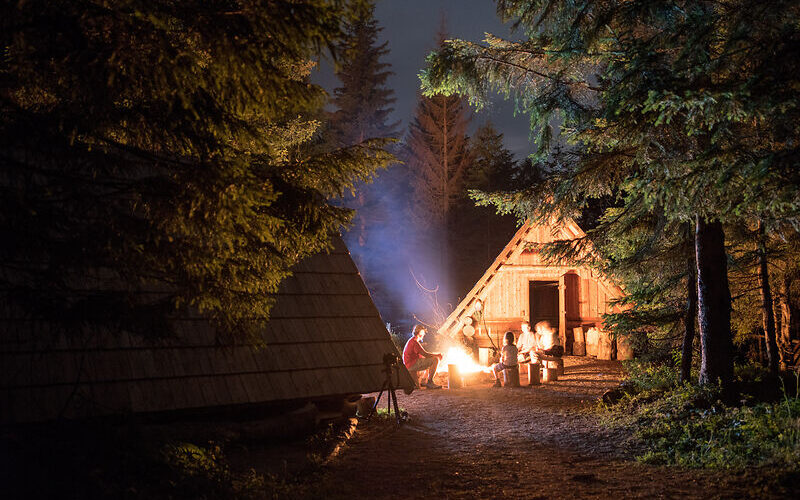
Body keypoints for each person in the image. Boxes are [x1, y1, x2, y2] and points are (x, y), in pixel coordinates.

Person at [403, 324, 443, 389]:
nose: (424, 335)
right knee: (435, 360)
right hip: (411, 365)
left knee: (428, 361)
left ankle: (423, 382)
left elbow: (423, 355)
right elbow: (426, 354)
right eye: (423, 333)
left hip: (409, 364)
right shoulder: (415, 342)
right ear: (420, 333)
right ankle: (430, 382)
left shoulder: (412, 340)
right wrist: (437, 355)